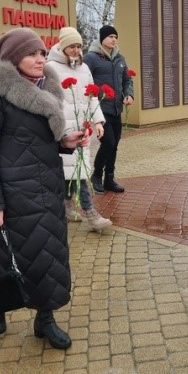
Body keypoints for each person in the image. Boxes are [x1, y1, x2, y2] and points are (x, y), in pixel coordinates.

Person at [0, 27, 89, 347]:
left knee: (48, 255)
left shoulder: (45, 85)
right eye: (31, 54)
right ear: (12, 58)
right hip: (13, 194)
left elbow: (35, 140)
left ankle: (45, 319)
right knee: (9, 257)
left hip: (47, 189)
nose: (40, 59)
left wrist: (64, 141)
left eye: (40, 53)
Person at [46, 27, 112, 231]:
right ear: (63, 46)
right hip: (63, 131)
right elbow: (48, 102)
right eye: (71, 46)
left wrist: (98, 122)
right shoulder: (51, 68)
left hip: (82, 128)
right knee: (79, 171)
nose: (76, 50)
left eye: (78, 46)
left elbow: (92, 97)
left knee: (76, 169)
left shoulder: (84, 69)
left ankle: (66, 205)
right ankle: (90, 212)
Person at [84, 25, 134, 193]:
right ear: (102, 38)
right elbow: (85, 81)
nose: (114, 39)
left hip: (116, 109)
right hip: (101, 108)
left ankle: (109, 179)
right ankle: (96, 175)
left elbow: (127, 80)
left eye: (116, 37)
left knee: (114, 145)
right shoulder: (91, 58)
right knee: (108, 142)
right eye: (111, 36)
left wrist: (129, 94)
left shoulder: (120, 58)